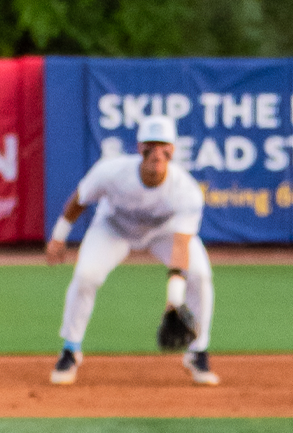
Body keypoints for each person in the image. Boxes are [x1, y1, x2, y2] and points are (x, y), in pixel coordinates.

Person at [46, 115, 218, 386]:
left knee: (200, 275)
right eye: (151, 145)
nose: (157, 153)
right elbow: (79, 199)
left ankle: (197, 351)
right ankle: (70, 349)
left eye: (165, 146)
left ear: (174, 151)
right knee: (86, 276)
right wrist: (58, 237)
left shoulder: (186, 190)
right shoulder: (112, 172)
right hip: (113, 228)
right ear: (139, 148)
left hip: (165, 232)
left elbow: (181, 245)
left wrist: (174, 299)